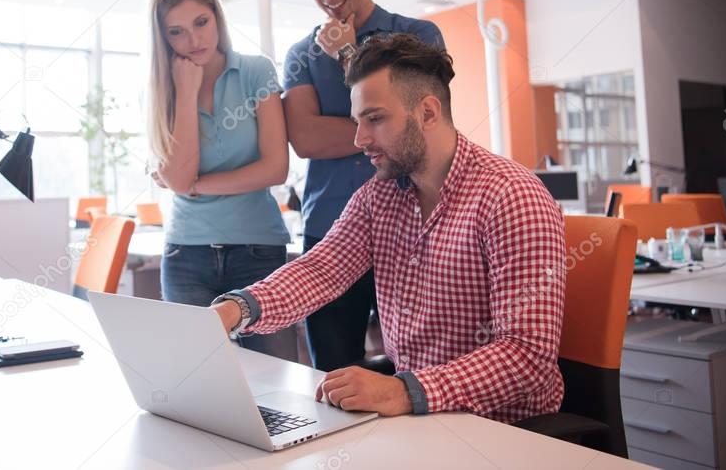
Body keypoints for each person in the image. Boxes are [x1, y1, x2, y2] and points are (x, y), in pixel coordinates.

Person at [212, 33, 566, 422]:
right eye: (357, 122)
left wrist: (404, 390)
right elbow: (320, 270)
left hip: (503, 430)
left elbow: (527, 356)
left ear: (428, 113)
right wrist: (236, 310)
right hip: (419, 419)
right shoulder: (378, 197)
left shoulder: (511, 196)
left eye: (375, 119)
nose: (359, 139)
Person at [282, 0, 445, 371]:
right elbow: (306, 140)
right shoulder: (299, 55)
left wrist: (349, 57)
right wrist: (383, 122)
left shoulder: (418, 38)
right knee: (335, 375)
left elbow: (421, 127)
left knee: (418, 367)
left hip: (410, 227)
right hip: (329, 228)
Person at [147, 0, 296, 359]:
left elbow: (275, 168)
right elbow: (179, 177)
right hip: (186, 253)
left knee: (277, 379)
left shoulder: (255, 71)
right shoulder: (164, 88)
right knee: (194, 382)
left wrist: (197, 185)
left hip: (257, 250)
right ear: (162, 36)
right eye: (177, 31)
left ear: (217, 15)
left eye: (201, 22)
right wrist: (186, 92)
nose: (194, 40)